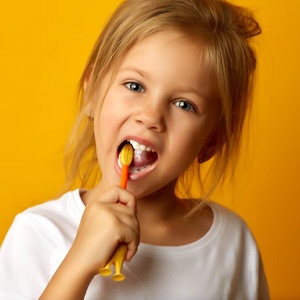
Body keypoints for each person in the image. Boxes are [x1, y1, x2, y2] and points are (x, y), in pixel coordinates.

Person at [0, 0, 269, 299]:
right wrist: (78, 263)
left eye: (184, 105)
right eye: (135, 86)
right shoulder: (38, 234)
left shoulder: (233, 243)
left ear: (211, 142)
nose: (151, 116)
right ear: (92, 92)